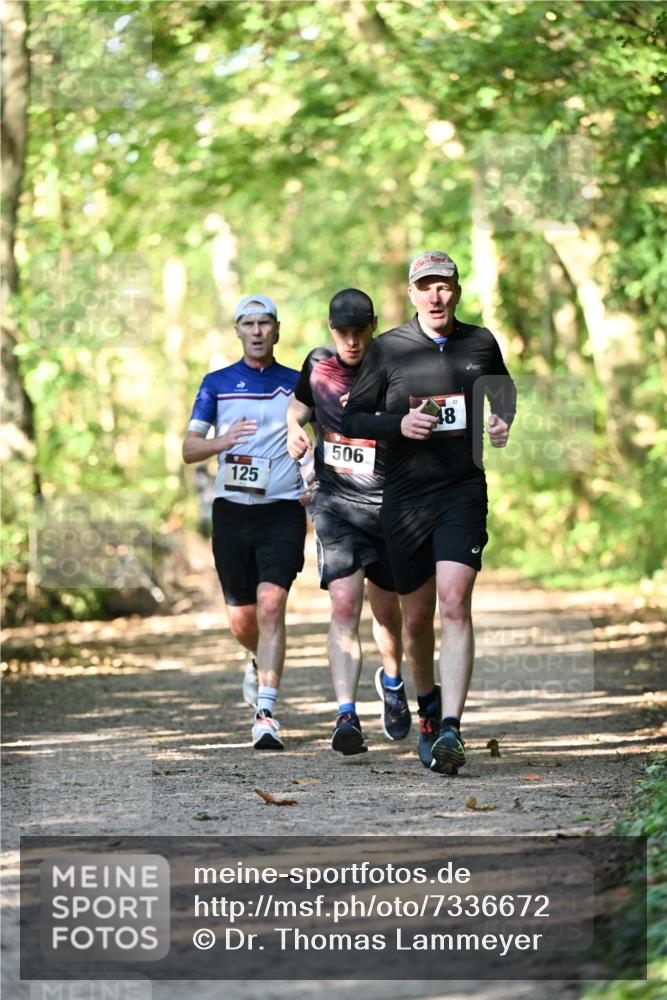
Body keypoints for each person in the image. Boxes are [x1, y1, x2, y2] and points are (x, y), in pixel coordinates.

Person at [342, 252, 516, 775]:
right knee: (416, 619)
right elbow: (352, 415)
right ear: (412, 293)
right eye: (426, 287)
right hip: (405, 498)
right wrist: (400, 426)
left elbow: (503, 392)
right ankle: (427, 709)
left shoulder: (480, 342)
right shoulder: (388, 349)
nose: (436, 296)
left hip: (462, 489)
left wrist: (502, 422)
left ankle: (452, 731)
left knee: (455, 601)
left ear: (457, 292)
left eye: (444, 286)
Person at [286, 289, 410, 756]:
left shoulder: (396, 362)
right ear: (330, 330)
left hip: (389, 505)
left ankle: (393, 681)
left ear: (374, 325)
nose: (352, 341)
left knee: (386, 612)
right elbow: (297, 407)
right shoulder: (317, 364)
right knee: (343, 606)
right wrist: (293, 428)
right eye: (343, 333)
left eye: (360, 332)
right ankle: (346, 716)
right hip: (336, 506)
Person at [182, 295, 306, 751]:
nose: (257, 331)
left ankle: (266, 712)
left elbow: (326, 434)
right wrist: (223, 441)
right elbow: (189, 448)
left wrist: (313, 471)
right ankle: (254, 659)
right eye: (248, 323)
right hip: (232, 512)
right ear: (237, 330)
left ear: (277, 329)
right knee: (242, 622)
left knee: (272, 605)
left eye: (265, 323)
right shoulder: (216, 383)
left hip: (282, 510)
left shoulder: (298, 383)